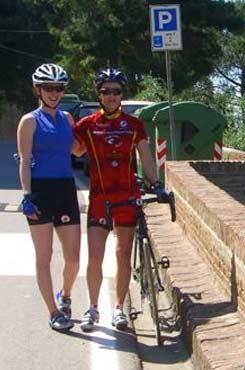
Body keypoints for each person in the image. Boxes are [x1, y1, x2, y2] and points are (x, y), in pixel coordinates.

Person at [73, 67, 168, 332]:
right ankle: (92, 308)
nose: (111, 96)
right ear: (99, 94)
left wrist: (157, 184)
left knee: (123, 254)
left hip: (127, 197)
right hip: (100, 198)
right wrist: (61, 127)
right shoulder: (88, 125)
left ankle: (118, 309)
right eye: (106, 91)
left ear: (122, 94)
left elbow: (146, 158)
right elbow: (74, 150)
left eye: (116, 91)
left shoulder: (134, 125)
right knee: (95, 256)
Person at [17, 64, 83, 331]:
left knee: (74, 258)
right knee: (44, 255)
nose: (54, 93)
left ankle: (65, 295)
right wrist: (26, 195)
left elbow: (78, 151)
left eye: (59, 88)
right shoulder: (29, 121)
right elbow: (24, 161)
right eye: (48, 88)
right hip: (41, 192)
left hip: (66, 189)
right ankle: (54, 312)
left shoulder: (67, 118)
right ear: (38, 89)